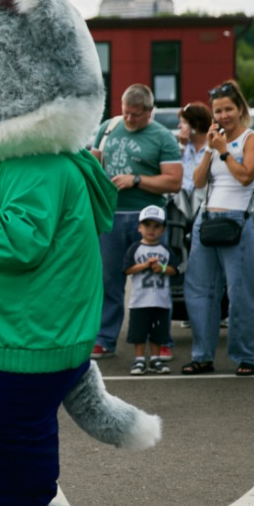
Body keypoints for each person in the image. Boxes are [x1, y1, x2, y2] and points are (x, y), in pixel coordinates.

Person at [90, 84, 182, 359]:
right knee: (109, 281)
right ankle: (105, 338)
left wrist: (137, 180)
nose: (129, 119)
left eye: (136, 115)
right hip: (111, 218)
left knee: (154, 280)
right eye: (126, 112)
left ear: (150, 112)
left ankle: (161, 340)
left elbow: (174, 181)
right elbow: (94, 166)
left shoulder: (162, 137)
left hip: (149, 220)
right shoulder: (108, 128)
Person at [182, 80, 254, 376]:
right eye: (219, 111)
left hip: (237, 220)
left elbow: (245, 177)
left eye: (229, 109)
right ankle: (202, 355)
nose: (224, 115)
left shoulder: (250, 138)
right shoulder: (213, 142)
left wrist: (225, 151)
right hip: (207, 219)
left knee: (241, 293)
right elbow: (199, 181)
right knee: (200, 290)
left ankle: (245, 355)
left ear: (240, 108)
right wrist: (209, 150)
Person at [123, 205, 181, 376]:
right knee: (139, 332)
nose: (151, 230)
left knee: (158, 332)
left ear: (163, 229)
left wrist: (162, 268)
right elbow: (127, 269)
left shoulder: (165, 250)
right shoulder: (135, 248)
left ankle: (155, 358)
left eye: (156, 226)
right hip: (140, 300)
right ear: (139, 227)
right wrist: (145, 265)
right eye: (147, 225)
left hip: (160, 300)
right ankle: (139, 359)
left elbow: (175, 269)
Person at [176, 102, 212, 219]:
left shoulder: (213, 146)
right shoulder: (181, 146)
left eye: (183, 123)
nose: (179, 126)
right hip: (180, 206)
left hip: (205, 203)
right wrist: (181, 146)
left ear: (195, 125)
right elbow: (171, 168)